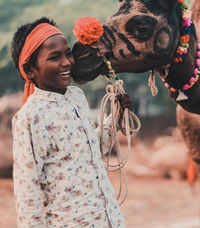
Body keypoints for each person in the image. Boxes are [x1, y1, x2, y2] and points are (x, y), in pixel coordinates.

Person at [11, 17, 133, 228]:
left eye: (67, 53)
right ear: (30, 70)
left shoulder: (76, 96)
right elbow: (26, 192)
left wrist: (116, 117)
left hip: (109, 219)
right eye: (55, 57)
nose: (67, 62)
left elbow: (92, 148)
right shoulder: (30, 117)